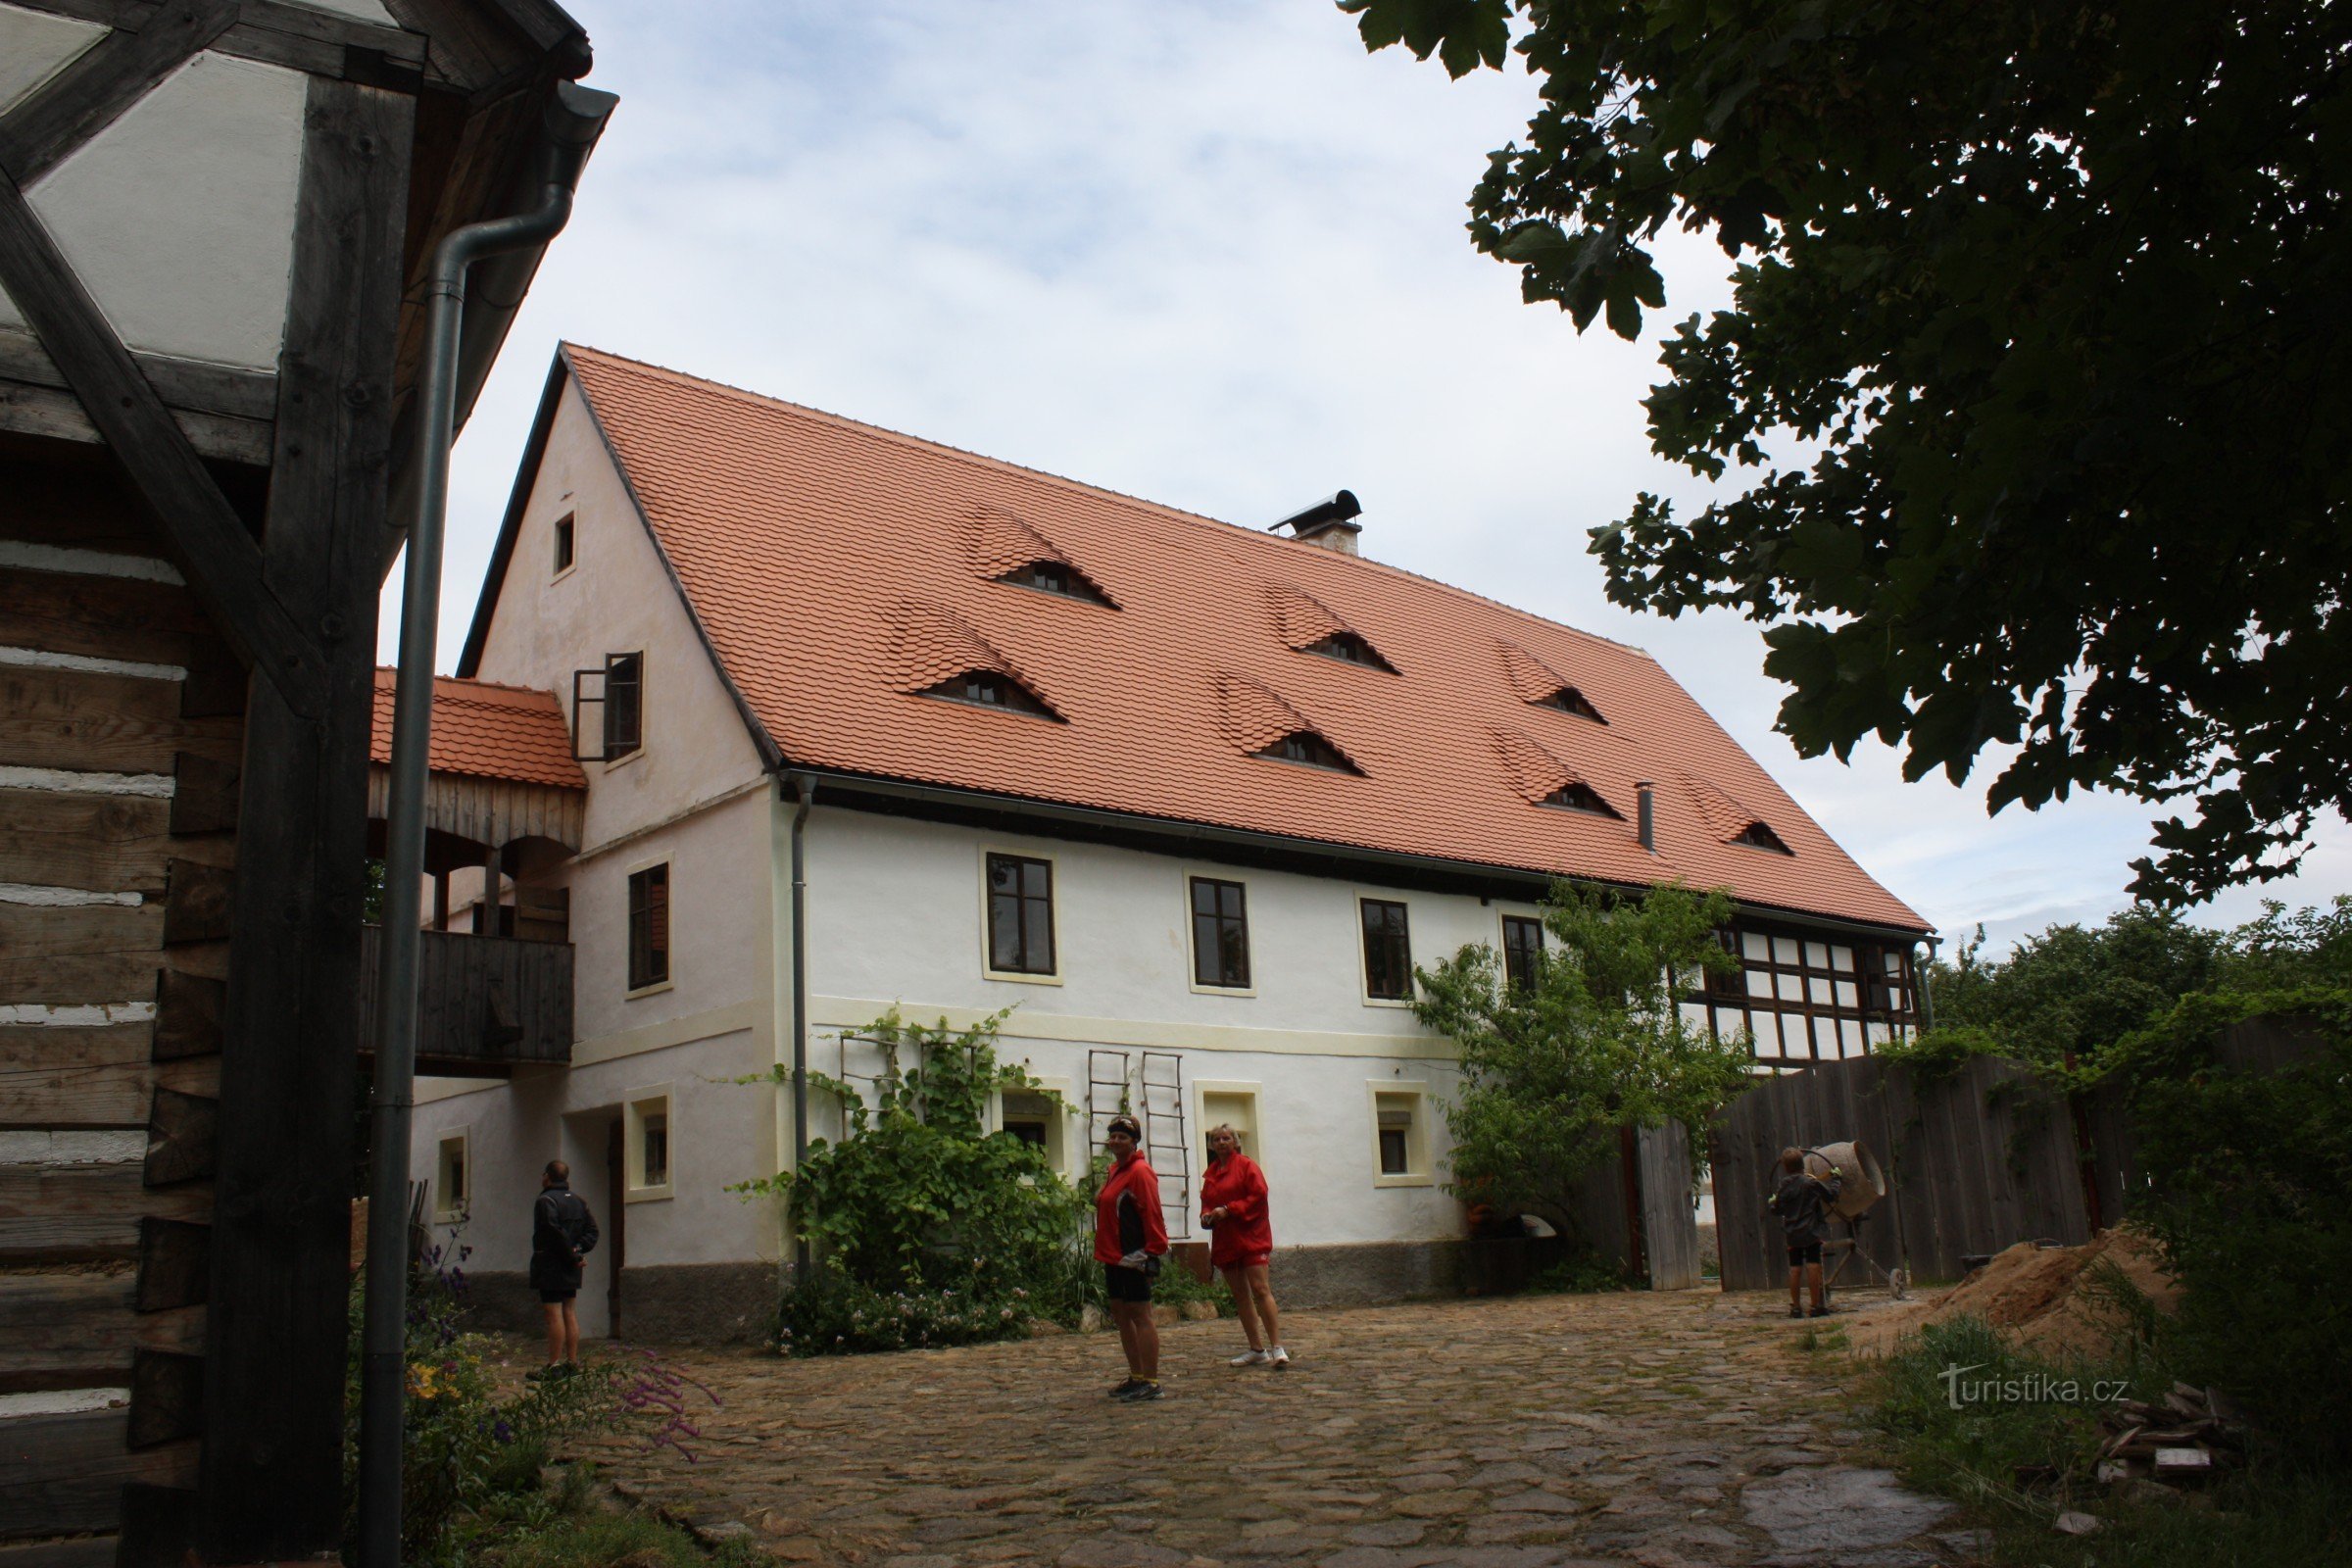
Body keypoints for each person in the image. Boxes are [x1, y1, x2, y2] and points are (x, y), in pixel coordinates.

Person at [1094, 1114, 1169, 1400]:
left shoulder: (1140, 1172)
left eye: (1122, 1137)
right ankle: (1136, 1375)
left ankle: (1151, 1381)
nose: (1115, 1141)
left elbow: (1152, 1211)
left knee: (1141, 1315)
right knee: (1121, 1315)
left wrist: (1154, 1252)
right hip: (1112, 1254)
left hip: (1133, 1254)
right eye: (1112, 1136)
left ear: (1134, 1141)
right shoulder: (1115, 1169)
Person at [1200, 1124, 1287, 1368]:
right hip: (1227, 1241)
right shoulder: (1211, 1174)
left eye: (1226, 1138)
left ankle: (1277, 1346)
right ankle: (1257, 1349)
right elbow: (1206, 1202)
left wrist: (1229, 1210)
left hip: (1251, 1236)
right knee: (1240, 1295)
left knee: (1260, 1289)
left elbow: (1258, 1196)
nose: (1221, 1142)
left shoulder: (1247, 1166)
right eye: (1216, 1139)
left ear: (1236, 1142)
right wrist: (1207, 1216)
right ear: (1211, 1145)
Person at [529, 1158, 599, 1374]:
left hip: (551, 1263)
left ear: (547, 1176)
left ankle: (553, 1364)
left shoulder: (545, 1201)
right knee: (569, 1310)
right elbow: (592, 1232)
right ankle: (572, 1361)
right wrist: (578, 1252)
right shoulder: (579, 1201)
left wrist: (571, 1255)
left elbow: (553, 1232)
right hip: (571, 1266)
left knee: (553, 1314)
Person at [1767, 1147, 1841, 1318]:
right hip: (1811, 1231)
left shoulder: (1782, 1187)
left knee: (1795, 1269)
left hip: (1792, 1233)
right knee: (1813, 1265)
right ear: (1803, 1164)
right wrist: (1836, 1178)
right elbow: (1831, 1196)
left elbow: (1777, 1210)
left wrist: (1772, 1202)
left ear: (1785, 1168)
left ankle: (1796, 1308)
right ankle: (1815, 1307)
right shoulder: (1811, 1183)